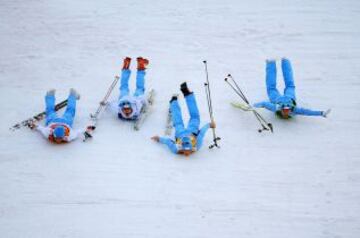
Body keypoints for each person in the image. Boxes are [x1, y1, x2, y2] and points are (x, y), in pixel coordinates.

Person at [151, 82, 216, 156]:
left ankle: (174, 102)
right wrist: (209, 125)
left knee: (179, 122)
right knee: (193, 118)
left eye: (185, 151)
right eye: (187, 151)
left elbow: (168, 142)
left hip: (180, 133)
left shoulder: (176, 149)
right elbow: (201, 133)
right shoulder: (197, 145)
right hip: (191, 131)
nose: (187, 154)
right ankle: (184, 97)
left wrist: (159, 139)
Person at [254, 58, 331, 119]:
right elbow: (307, 112)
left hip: (276, 99)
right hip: (290, 97)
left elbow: (263, 104)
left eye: (285, 110)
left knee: (271, 88)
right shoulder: (295, 110)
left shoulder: (276, 108)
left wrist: (252, 106)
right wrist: (321, 113)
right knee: (290, 85)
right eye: (286, 110)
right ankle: (285, 60)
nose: (286, 111)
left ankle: (271, 62)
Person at [109, 57, 149, 121]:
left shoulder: (120, 108)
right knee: (138, 89)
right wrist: (146, 103)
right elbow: (142, 100)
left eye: (126, 110)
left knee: (125, 88)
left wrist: (108, 104)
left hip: (125, 98)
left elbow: (113, 105)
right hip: (133, 99)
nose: (127, 112)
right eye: (126, 110)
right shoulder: (136, 107)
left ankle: (127, 67)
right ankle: (139, 68)